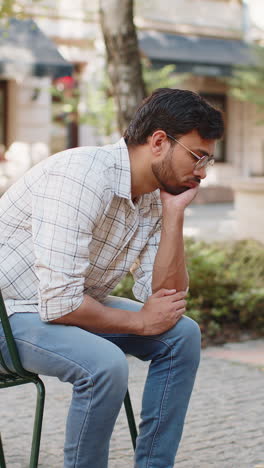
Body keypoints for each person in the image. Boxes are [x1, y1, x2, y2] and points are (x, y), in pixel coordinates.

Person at [0, 88, 224, 468]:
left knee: (182, 334)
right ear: (158, 142)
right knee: (104, 364)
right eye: (197, 156)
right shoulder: (82, 176)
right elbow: (60, 302)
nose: (202, 171)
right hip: (8, 315)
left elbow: (165, 295)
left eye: (208, 160)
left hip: (59, 308)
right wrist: (139, 321)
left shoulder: (155, 195)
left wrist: (174, 215)